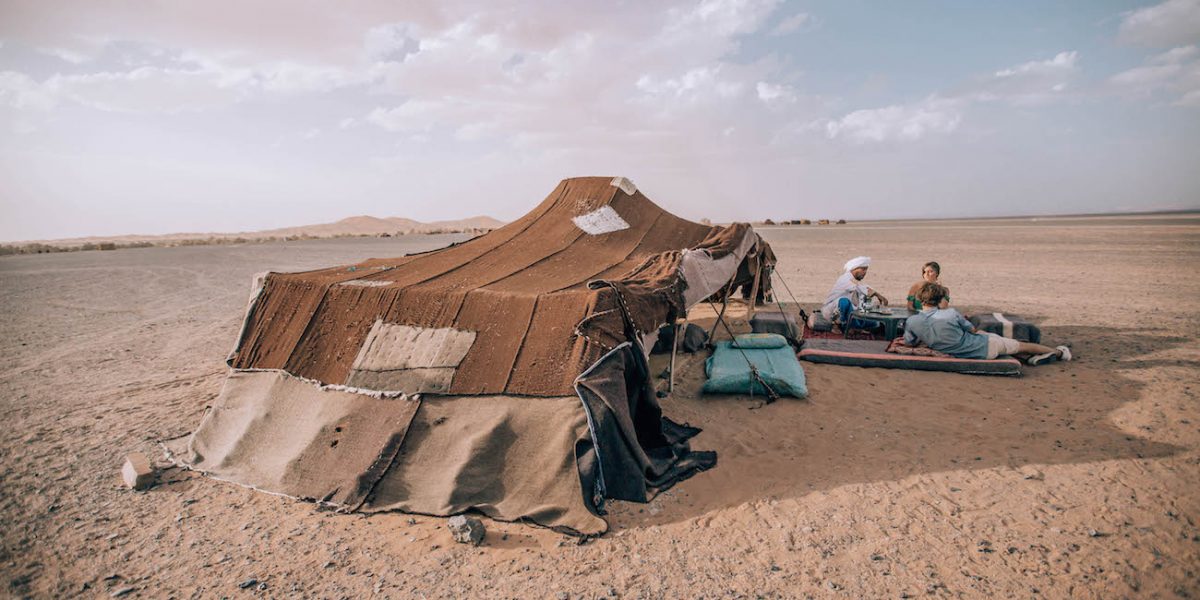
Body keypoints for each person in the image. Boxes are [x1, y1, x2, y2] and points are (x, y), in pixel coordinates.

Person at [904, 282, 1071, 365]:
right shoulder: (951, 313)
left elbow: (909, 342)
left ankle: (1033, 358)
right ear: (940, 300)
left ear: (920, 300)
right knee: (1020, 345)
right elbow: (973, 330)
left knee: (1002, 343)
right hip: (983, 348)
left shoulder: (912, 321)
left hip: (963, 350)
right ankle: (1059, 353)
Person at [821, 256, 889, 332]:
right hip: (832, 310)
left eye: (866, 269)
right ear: (854, 268)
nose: (865, 272)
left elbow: (863, 289)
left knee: (875, 324)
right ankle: (836, 325)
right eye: (863, 269)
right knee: (844, 301)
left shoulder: (854, 281)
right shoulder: (845, 278)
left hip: (851, 311)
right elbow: (861, 287)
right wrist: (878, 295)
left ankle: (850, 325)